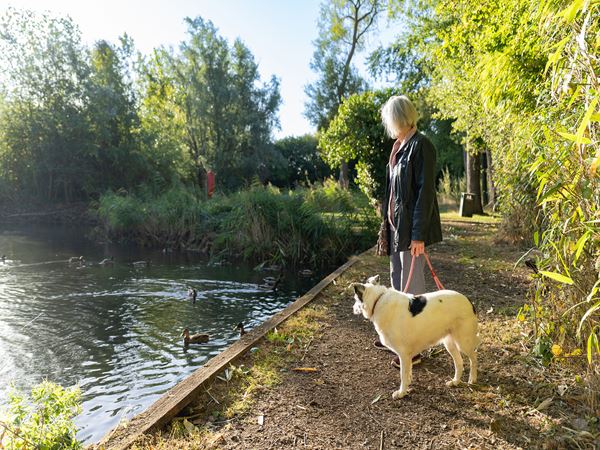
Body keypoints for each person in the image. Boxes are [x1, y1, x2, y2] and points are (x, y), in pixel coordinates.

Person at [377, 95, 443, 366]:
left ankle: (413, 350)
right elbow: (392, 192)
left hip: (410, 230)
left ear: (400, 118)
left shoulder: (421, 145)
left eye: (389, 119)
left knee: (412, 288)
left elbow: (425, 193)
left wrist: (418, 235)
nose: (388, 125)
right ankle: (399, 338)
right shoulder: (398, 147)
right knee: (397, 282)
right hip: (395, 228)